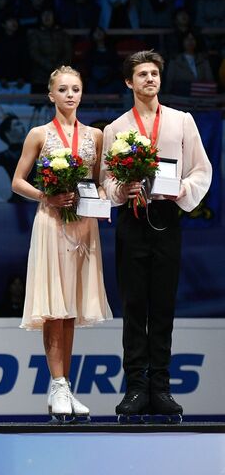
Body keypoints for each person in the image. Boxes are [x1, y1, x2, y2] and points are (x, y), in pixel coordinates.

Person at [100, 50, 212, 422]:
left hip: (167, 218)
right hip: (132, 222)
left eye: (154, 73)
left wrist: (181, 189)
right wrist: (122, 190)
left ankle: (160, 388)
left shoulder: (182, 121)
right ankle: (135, 387)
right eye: (142, 74)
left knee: (163, 306)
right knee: (134, 307)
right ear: (129, 83)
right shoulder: (116, 128)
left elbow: (202, 170)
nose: (150, 79)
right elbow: (106, 181)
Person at [12, 66, 113, 422]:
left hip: (84, 226)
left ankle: (66, 385)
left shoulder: (96, 136)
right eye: (63, 89)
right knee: (54, 307)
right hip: (51, 222)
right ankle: (55, 383)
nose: (70, 95)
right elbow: (17, 182)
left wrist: (101, 201)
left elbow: (100, 181)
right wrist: (46, 196)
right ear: (51, 94)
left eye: (76, 89)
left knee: (70, 309)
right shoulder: (39, 134)